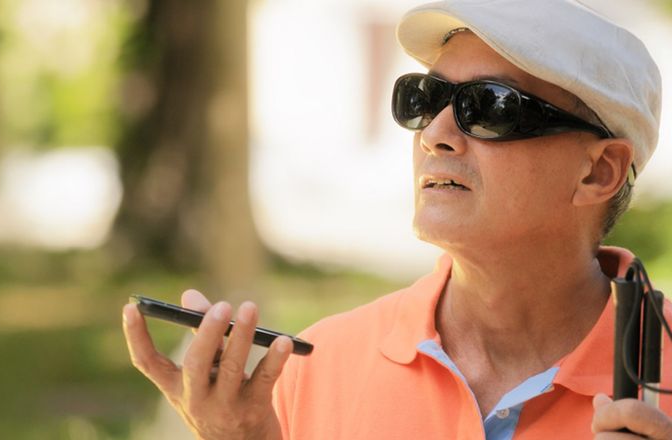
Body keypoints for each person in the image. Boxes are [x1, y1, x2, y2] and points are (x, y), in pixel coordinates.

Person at [120, 0, 669, 438]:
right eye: (425, 98)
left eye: (491, 107)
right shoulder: (315, 368)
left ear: (598, 172)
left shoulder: (660, 384)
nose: (435, 135)